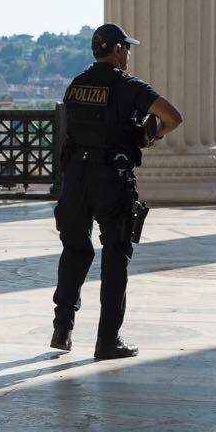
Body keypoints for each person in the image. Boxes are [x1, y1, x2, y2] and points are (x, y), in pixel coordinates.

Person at [50, 23, 183, 359]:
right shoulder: (127, 86)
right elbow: (172, 116)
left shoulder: (76, 84)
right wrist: (151, 136)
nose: (128, 54)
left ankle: (62, 328)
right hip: (110, 177)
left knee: (75, 250)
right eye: (127, 48)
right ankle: (107, 339)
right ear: (118, 50)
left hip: (75, 177)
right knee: (115, 254)